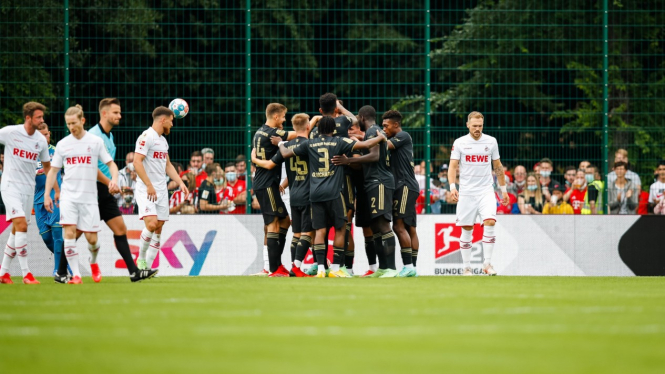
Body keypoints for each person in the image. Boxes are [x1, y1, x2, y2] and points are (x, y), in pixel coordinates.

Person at [54, 98, 157, 283]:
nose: (120, 116)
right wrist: (112, 182)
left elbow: (107, 166)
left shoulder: (108, 136)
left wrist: (112, 182)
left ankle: (133, 272)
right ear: (104, 113)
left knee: (120, 228)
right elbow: (91, 170)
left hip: (104, 190)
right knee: (76, 233)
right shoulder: (93, 136)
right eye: (116, 112)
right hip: (90, 191)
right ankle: (61, 272)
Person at [279, 116, 385, 278]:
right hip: (335, 193)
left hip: (314, 194)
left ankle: (321, 268)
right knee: (341, 228)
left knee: (320, 230)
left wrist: (280, 143)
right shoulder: (339, 141)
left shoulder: (309, 143)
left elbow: (286, 153)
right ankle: (335, 268)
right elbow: (366, 144)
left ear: (318, 129)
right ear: (333, 129)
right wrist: (380, 137)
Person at [43, 104, 118, 285]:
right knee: (68, 234)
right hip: (69, 197)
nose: (71, 127)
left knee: (92, 240)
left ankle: (93, 262)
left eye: (74, 123)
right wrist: (48, 193)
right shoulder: (63, 144)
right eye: (68, 124)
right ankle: (76, 275)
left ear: (82, 121)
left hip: (89, 198)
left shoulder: (95, 142)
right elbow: (53, 171)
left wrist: (114, 179)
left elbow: (111, 164)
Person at [332, 107, 403, 278]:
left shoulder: (372, 131)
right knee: (376, 226)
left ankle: (391, 268)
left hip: (379, 182)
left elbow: (375, 156)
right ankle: (383, 267)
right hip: (374, 182)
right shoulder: (374, 131)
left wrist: (348, 160)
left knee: (383, 225)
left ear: (362, 118)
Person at [252, 113, 313, 277]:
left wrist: (254, 159)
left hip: (279, 188)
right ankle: (274, 268)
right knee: (273, 224)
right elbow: (271, 164)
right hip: (268, 185)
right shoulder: (279, 137)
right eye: (283, 116)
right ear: (276, 116)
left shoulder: (267, 137)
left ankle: (277, 265)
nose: (285, 120)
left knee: (286, 221)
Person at [448, 111, 508, 276]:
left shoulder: (491, 141)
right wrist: (453, 187)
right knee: (467, 229)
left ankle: (487, 264)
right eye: (474, 126)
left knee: (490, 222)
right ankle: (467, 267)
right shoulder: (460, 143)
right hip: (466, 192)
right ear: (467, 125)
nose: (477, 129)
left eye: (480, 126)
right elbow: (453, 166)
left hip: (486, 191)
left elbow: (498, 167)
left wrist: (504, 191)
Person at [0, 102, 52, 285]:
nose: (42, 120)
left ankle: (3, 273)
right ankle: (26, 274)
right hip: (10, 187)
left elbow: (47, 167)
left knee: (16, 230)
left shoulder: (40, 140)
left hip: (28, 190)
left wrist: (56, 190)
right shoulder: (10, 132)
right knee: (21, 225)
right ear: (28, 118)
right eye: (38, 117)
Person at [133, 106, 189, 271]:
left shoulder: (163, 140)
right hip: (146, 189)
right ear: (163, 120)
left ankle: (148, 269)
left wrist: (180, 183)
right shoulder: (146, 137)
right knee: (151, 224)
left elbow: (167, 165)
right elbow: (137, 162)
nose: (172, 124)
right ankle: (141, 260)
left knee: (158, 228)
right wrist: (149, 185)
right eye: (171, 121)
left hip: (161, 190)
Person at [383, 110, 420, 277]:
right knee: (409, 227)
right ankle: (412, 267)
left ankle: (409, 267)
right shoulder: (395, 138)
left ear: (396, 125)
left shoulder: (403, 135)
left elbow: (384, 145)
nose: (384, 129)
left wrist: (364, 138)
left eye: (386, 126)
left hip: (404, 185)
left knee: (398, 226)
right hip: (406, 185)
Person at [34, 123, 65, 276]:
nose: (45, 138)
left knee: (57, 233)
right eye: (41, 135)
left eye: (46, 134)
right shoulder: (30, 154)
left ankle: (58, 270)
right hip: (38, 200)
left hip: (56, 197)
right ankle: (67, 265)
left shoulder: (57, 151)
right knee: (46, 237)